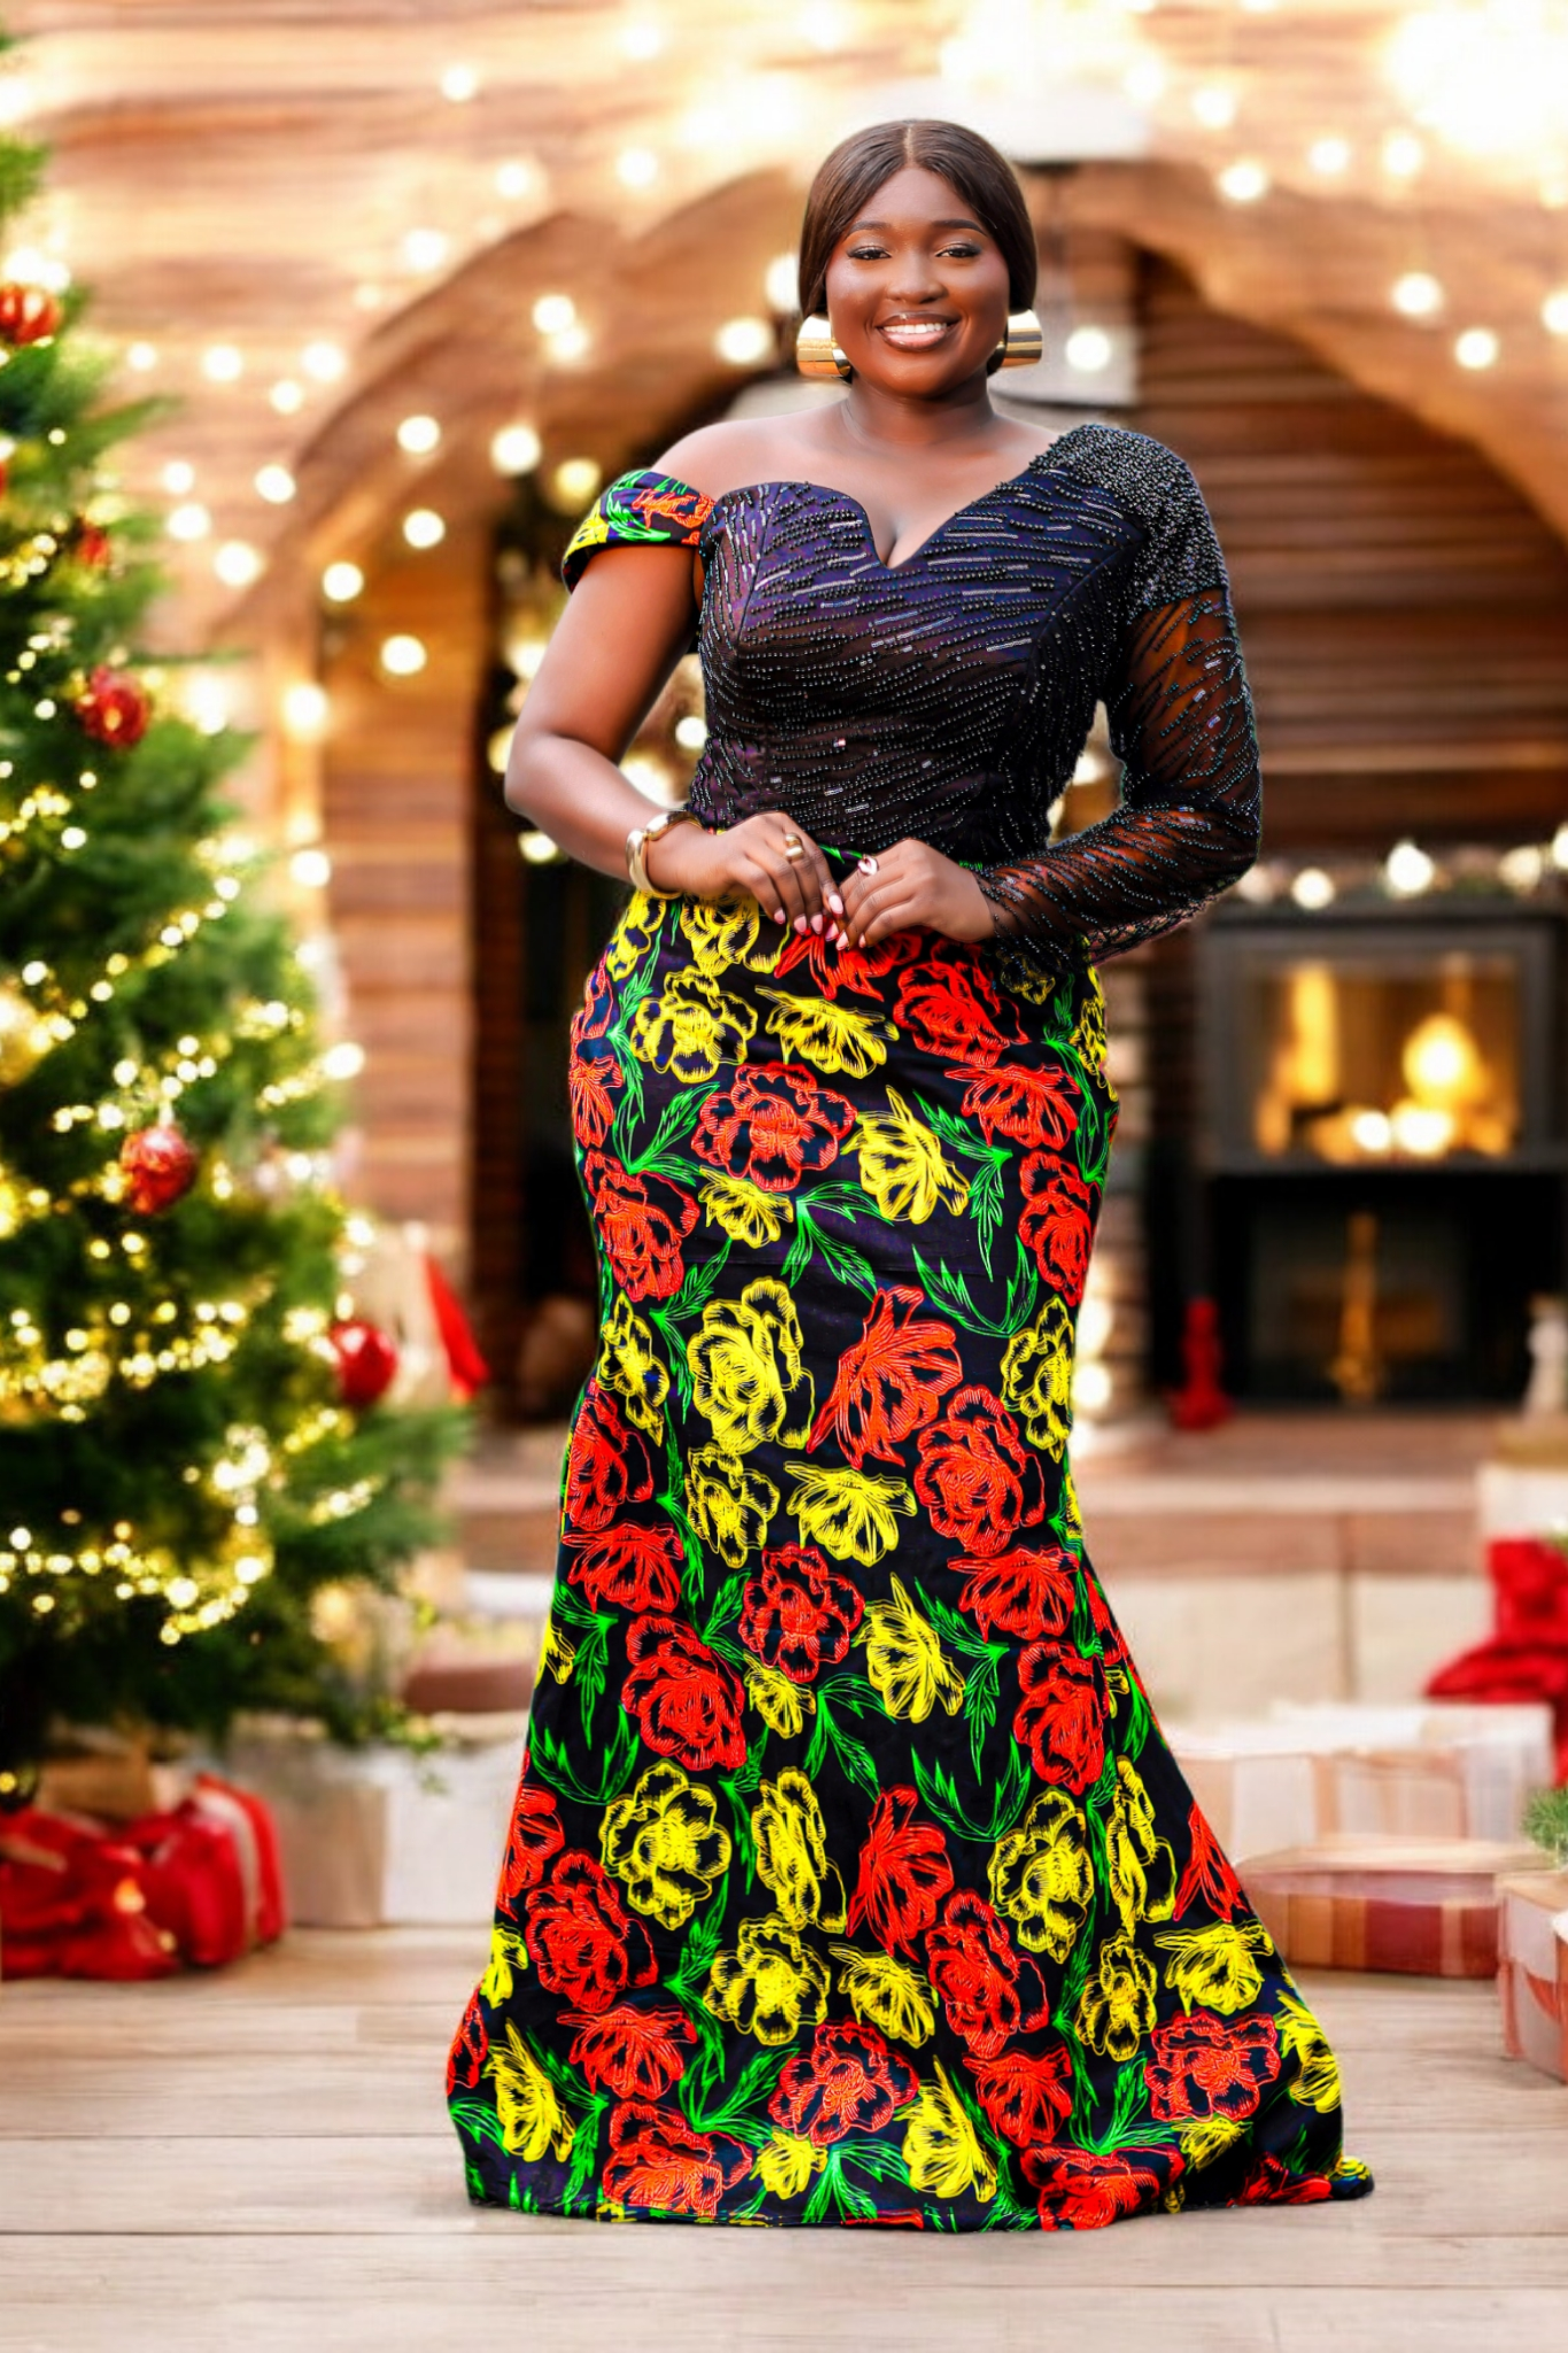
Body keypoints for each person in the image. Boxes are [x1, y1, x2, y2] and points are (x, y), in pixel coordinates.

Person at [447, 117, 1373, 2230]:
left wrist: (997, 887)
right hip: (704, 1052)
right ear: (822, 275)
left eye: (957, 246)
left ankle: (1023, 2045)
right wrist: (680, 844)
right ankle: (701, 2052)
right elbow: (551, 746)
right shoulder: (711, 466)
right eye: (874, 249)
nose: (916, 283)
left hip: (979, 1063)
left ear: (1011, 272)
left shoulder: (1128, 494)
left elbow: (1211, 813)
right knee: (713, 1535)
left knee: (963, 1523)